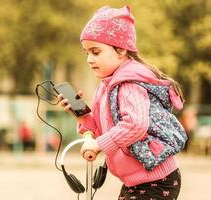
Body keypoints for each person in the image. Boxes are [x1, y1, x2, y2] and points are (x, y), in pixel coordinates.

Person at [58, 5, 186, 200]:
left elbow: (136, 124)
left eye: (95, 52)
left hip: (156, 181)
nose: (89, 59)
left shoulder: (128, 84)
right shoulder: (106, 85)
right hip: (137, 181)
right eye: (86, 53)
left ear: (121, 49)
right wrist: (82, 115)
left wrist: (99, 145)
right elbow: (103, 130)